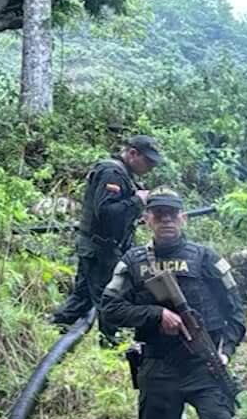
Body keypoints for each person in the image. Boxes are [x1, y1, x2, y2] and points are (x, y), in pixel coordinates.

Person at [96, 191, 247, 419]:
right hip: (157, 365)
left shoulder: (206, 259)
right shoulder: (132, 262)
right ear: (147, 219)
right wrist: (154, 314)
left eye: (172, 214)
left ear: (184, 219)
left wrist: (225, 352)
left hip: (204, 365)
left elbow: (236, 314)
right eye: (158, 214)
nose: (165, 220)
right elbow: (108, 308)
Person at [50, 134, 165, 333]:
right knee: (111, 297)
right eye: (148, 161)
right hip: (101, 249)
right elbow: (106, 213)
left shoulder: (123, 174)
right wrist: (137, 201)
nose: (151, 167)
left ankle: (54, 328)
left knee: (83, 295)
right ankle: (110, 343)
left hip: (98, 247)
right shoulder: (111, 173)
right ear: (132, 153)